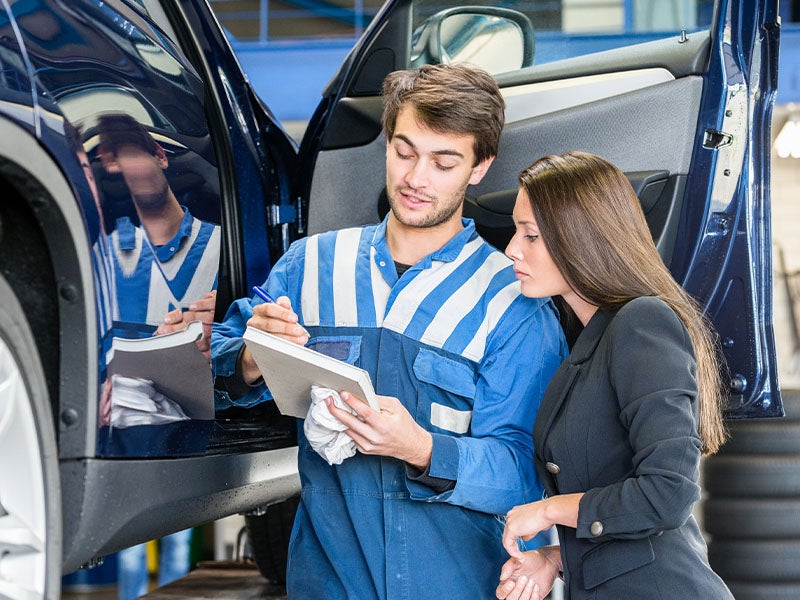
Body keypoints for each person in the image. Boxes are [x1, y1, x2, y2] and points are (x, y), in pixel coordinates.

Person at [212, 63, 567, 599]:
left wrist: (423, 448)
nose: (415, 179)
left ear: (479, 167)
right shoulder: (307, 267)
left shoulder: (512, 302)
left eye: (444, 162)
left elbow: (526, 473)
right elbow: (213, 361)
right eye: (404, 152)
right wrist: (250, 357)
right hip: (326, 580)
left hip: (458, 584)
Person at [496, 151, 732, 600]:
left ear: (579, 240)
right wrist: (554, 559)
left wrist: (549, 511)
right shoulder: (587, 341)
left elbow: (666, 495)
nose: (512, 248)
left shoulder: (641, 322)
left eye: (531, 236)